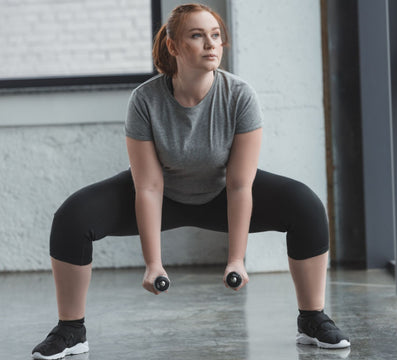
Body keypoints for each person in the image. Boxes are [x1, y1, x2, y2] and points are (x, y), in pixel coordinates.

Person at [31, 3, 350, 359]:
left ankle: (311, 318)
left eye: (215, 36)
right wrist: (154, 263)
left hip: (222, 191)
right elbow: (148, 186)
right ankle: (71, 330)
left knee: (304, 205)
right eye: (197, 36)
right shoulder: (145, 100)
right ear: (173, 46)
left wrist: (236, 259)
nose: (210, 44)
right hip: (163, 193)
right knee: (73, 216)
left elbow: (240, 184)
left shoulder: (239, 95)